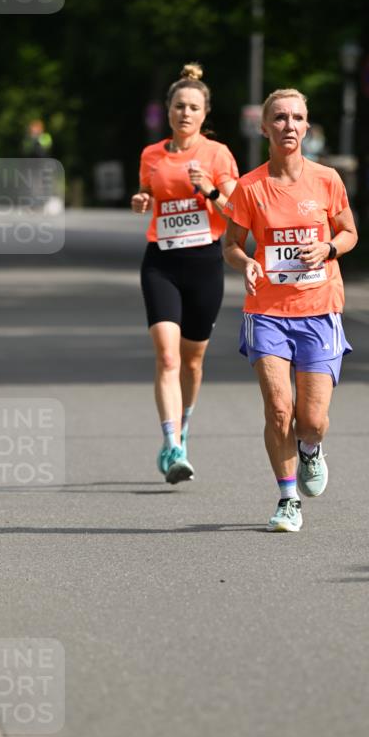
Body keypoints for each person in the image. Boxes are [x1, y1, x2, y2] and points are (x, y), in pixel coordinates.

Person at [223, 88, 358, 531]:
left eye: (297, 118)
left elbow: (349, 233)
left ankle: (310, 449)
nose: (289, 126)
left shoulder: (327, 180)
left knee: (312, 420)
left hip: (320, 310)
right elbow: (231, 245)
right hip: (266, 311)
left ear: (307, 126)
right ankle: (287, 499)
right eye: (279, 118)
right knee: (279, 409)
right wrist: (245, 264)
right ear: (264, 127)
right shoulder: (249, 186)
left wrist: (329, 248)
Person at [131, 63, 239, 484]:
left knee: (193, 362)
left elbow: (234, 211)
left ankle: (184, 424)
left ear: (204, 113)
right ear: (169, 110)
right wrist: (142, 200)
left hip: (204, 263)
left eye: (194, 107)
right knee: (167, 356)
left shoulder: (217, 154)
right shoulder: (151, 154)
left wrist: (209, 189)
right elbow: (148, 192)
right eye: (179, 106)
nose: (185, 113)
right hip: (162, 260)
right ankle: (172, 443)